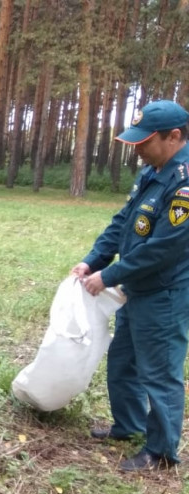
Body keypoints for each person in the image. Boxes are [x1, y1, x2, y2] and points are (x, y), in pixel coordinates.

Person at [71, 99, 189, 472]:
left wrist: (108, 276)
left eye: (145, 141)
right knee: (123, 363)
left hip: (165, 295)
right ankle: (129, 426)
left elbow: (165, 248)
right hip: (135, 290)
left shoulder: (184, 183)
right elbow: (123, 223)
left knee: (160, 374)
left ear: (174, 137)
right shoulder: (153, 172)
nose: (137, 149)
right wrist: (94, 260)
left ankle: (161, 452)